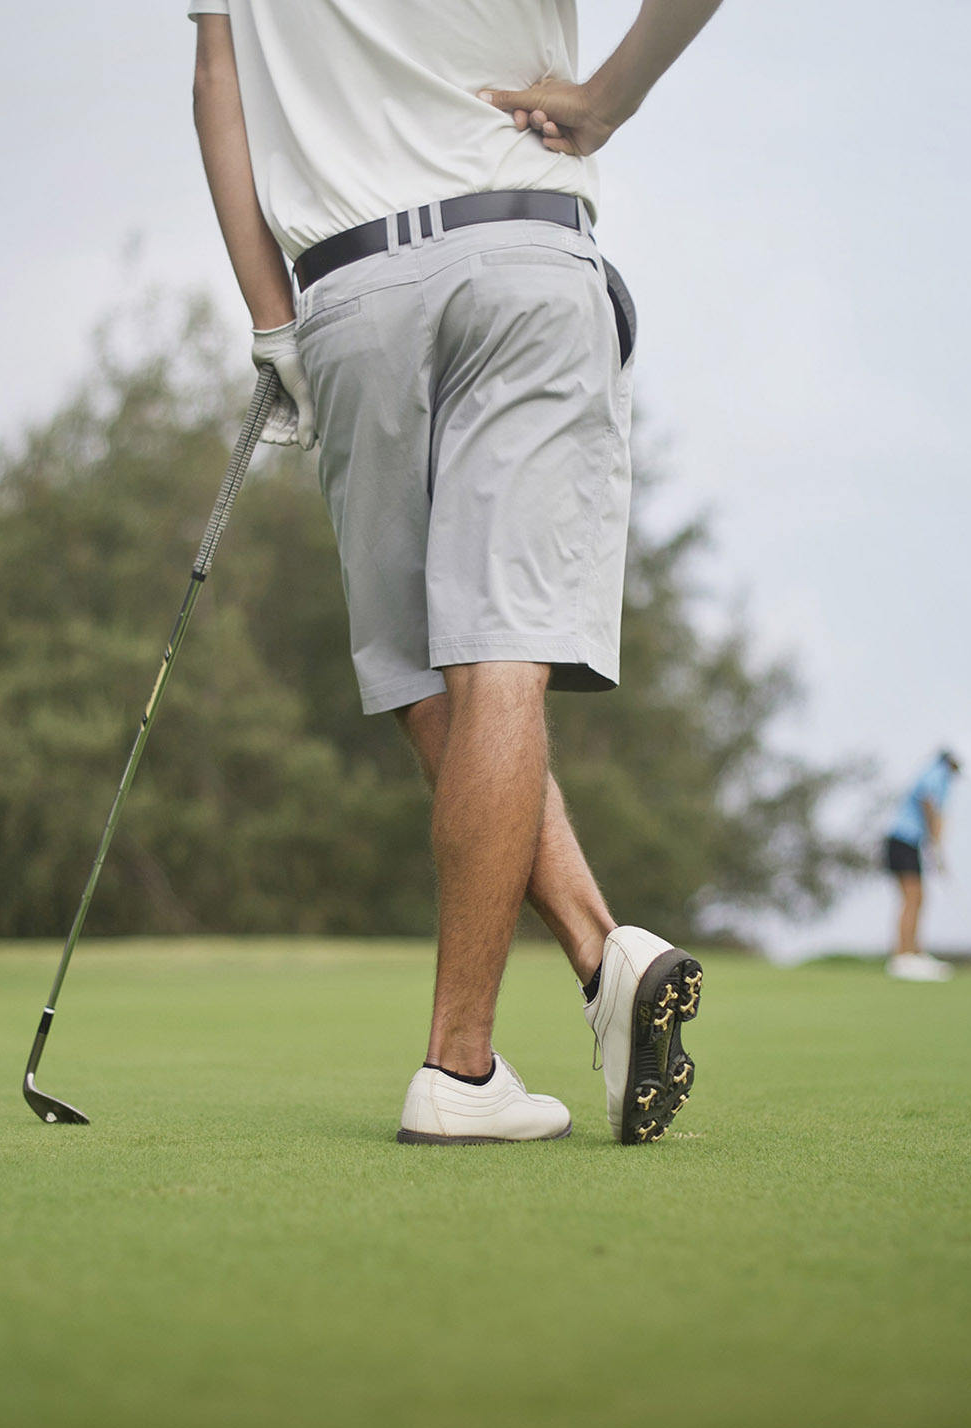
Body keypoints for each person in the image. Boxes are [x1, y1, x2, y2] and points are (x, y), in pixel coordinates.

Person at [188, 0, 722, 1143]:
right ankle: (462, 1065)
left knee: (425, 676)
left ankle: (595, 957)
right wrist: (609, 96)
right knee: (493, 658)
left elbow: (218, 80)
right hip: (521, 248)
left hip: (348, 293)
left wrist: (271, 319)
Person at [884, 748, 962, 981]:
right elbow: (927, 802)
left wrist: (936, 846)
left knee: (919, 897)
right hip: (902, 841)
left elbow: (938, 815)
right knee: (912, 897)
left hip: (909, 842)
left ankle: (913, 954)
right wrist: (935, 844)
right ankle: (903, 957)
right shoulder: (936, 773)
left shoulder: (941, 775)